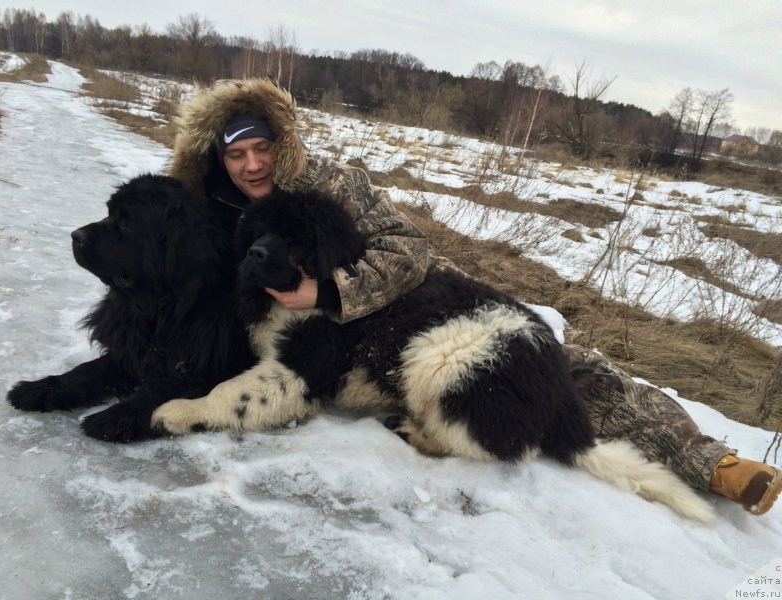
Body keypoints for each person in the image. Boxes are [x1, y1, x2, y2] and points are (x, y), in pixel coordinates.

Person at [167, 78, 781, 516]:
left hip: (408, 292)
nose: (252, 165)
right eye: (236, 154)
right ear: (219, 160)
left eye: (261, 148)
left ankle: (712, 464)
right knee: (530, 382)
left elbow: (405, 251)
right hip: (367, 335)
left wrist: (326, 292)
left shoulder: (325, 181)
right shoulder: (211, 210)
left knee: (577, 372)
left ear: (280, 143)